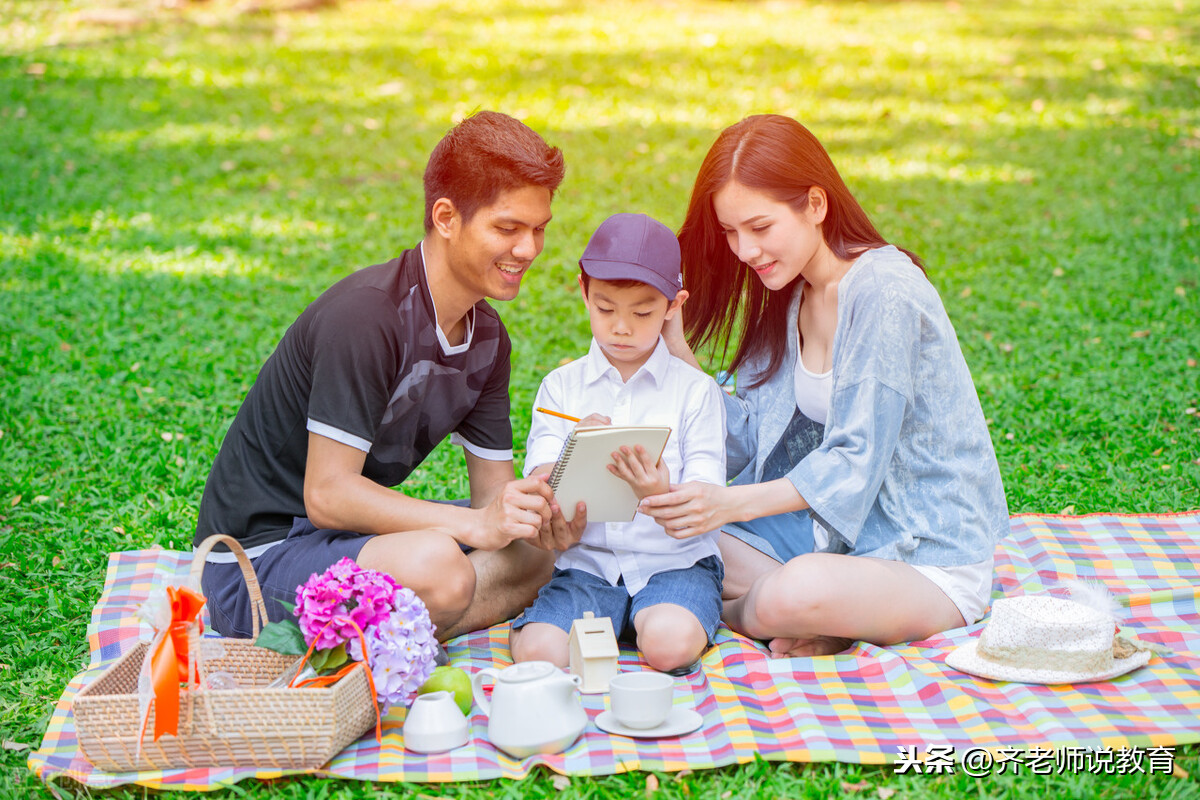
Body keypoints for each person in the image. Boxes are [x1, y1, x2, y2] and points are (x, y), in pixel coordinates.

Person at [194, 111, 580, 641]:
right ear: (446, 218)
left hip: (347, 541)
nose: (529, 250)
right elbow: (327, 495)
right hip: (256, 564)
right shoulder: (366, 316)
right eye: (507, 228)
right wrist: (473, 528)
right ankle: (404, 630)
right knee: (439, 567)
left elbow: (491, 499)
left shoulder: (488, 338)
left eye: (538, 230)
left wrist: (532, 507)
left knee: (535, 556)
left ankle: (390, 636)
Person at [640, 114, 1009, 657]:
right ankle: (792, 617)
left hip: (925, 556)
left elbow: (853, 464)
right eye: (730, 232)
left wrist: (726, 505)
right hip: (827, 544)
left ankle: (739, 614)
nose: (744, 251)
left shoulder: (884, 291)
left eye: (760, 227)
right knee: (646, 529)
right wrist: (674, 345)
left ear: (815, 205)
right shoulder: (788, 291)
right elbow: (746, 435)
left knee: (793, 592)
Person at [508, 213, 728, 674]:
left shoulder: (695, 391)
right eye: (605, 309)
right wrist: (573, 454)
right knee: (538, 653)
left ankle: (659, 618)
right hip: (588, 566)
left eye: (643, 312)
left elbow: (709, 501)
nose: (622, 327)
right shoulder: (560, 387)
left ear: (673, 305)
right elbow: (539, 482)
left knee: (668, 645)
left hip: (675, 565)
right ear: (584, 292)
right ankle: (612, 620)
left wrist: (661, 494)